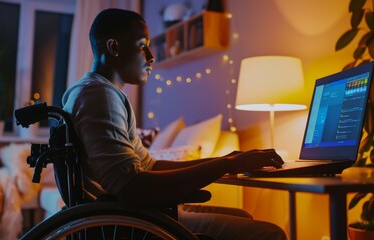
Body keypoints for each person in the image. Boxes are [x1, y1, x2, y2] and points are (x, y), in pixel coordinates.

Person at [62, 8, 287, 240]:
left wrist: (227, 159)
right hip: (123, 223)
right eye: (142, 45)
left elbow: (148, 166)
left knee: (242, 216)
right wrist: (226, 165)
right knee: (270, 233)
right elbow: (131, 189)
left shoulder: (96, 92)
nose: (151, 56)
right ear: (114, 47)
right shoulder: (100, 96)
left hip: (122, 215)